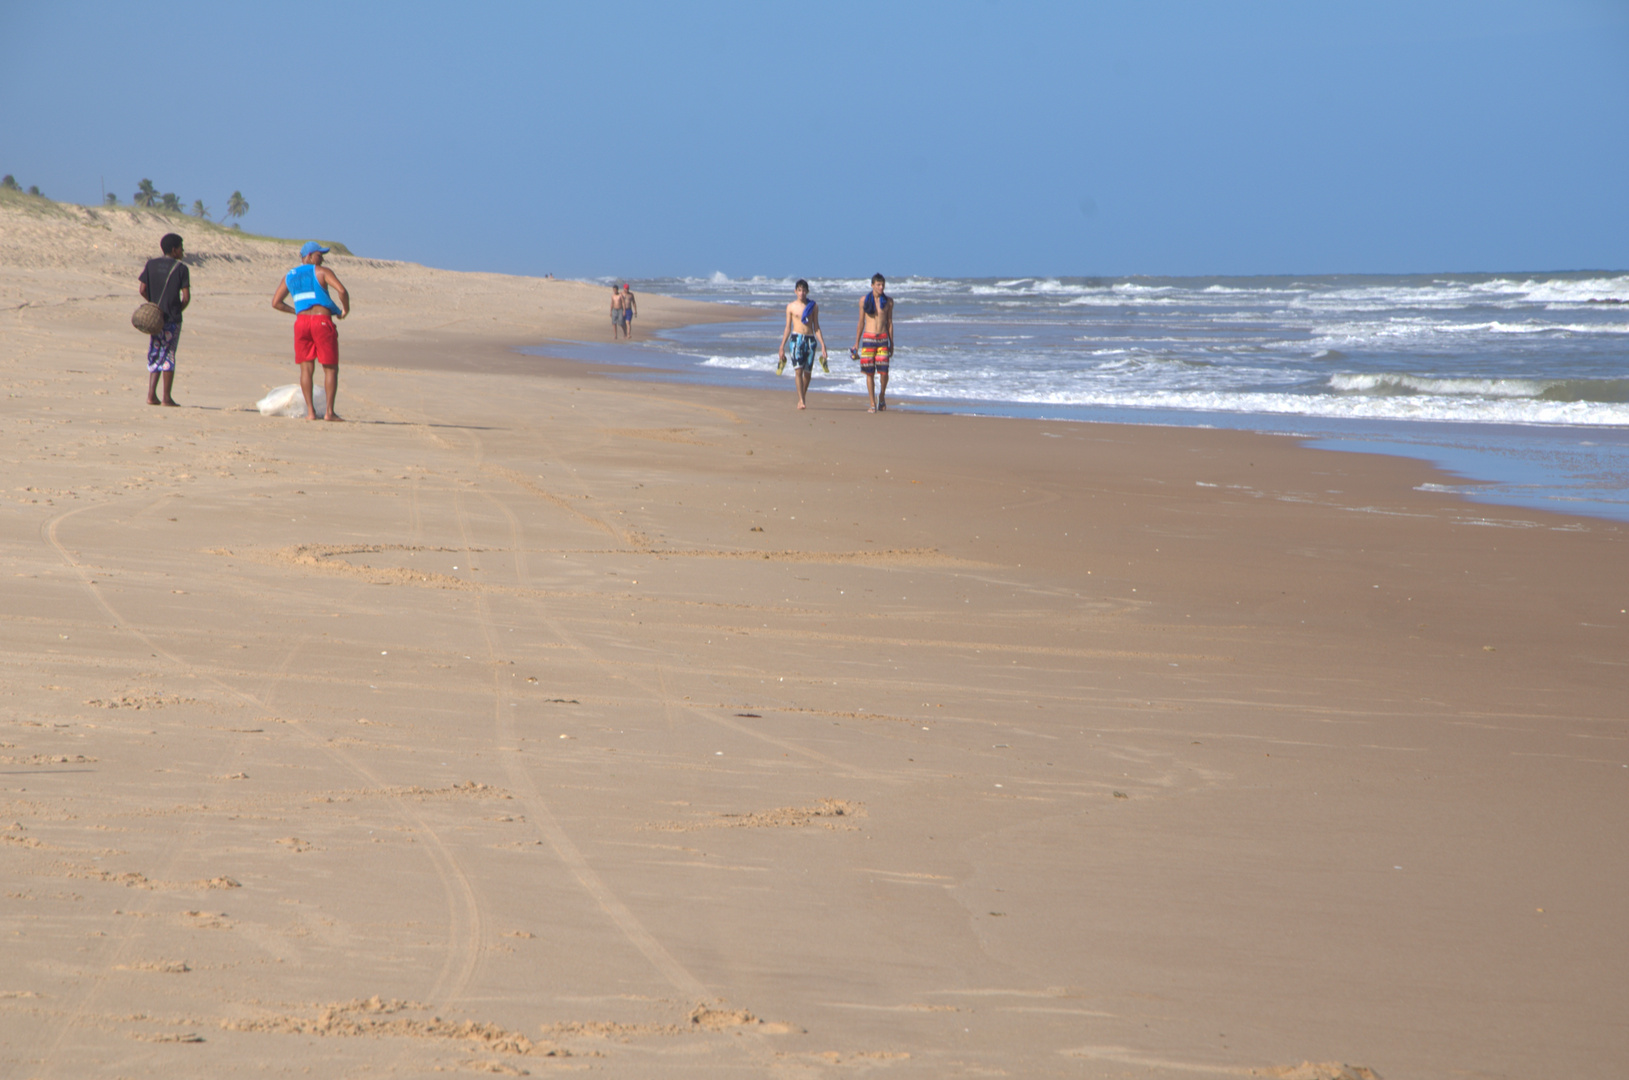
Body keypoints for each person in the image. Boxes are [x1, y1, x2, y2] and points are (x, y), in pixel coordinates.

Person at [270, 241, 350, 421]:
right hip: (321, 322)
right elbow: (342, 291)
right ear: (308, 256)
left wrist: (295, 311)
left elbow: (275, 303)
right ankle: (329, 412)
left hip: (301, 323)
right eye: (319, 255)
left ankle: (311, 413)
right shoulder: (322, 272)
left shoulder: (289, 276)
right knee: (330, 369)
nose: (321, 259)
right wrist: (345, 309)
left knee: (306, 369)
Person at [137, 233, 190, 406]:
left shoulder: (151, 264)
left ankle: (151, 395)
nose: (183, 250)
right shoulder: (181, 269)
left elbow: (142, 289)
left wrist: (153, 307)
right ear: (174, 250)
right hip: (172, 319)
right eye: (181, 247)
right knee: (168, 355)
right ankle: (166, 397)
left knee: (155, 351)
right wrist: (175, 310)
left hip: (156, 318)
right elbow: (186, 297)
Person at [777, 279, 828, 410]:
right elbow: (787, 328)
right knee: (798, 370)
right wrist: (782, 346)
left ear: (807, 291)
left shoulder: (813, 306)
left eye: (804, 290)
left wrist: (823, 344)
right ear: (795, 291)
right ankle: (802, 400)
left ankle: (802, 398)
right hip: (796, 339)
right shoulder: (791, 307)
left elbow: (816, 326)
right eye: (799, 290)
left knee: (808, 374)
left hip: (810, 340)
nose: (802, 293)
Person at [852, 272, 894, 412]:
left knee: (884, 372)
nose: (881, 287)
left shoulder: (888, 302)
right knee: (869, 373)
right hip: (868, 339)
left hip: (882, 339)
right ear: (872, 285)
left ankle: (881, 395)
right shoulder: (864, 300)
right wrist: (856, 343)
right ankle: (872, 404)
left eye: (883, 285)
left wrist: (891, 343)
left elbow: (889, 323)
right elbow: (860, 322)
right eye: (878, 285)